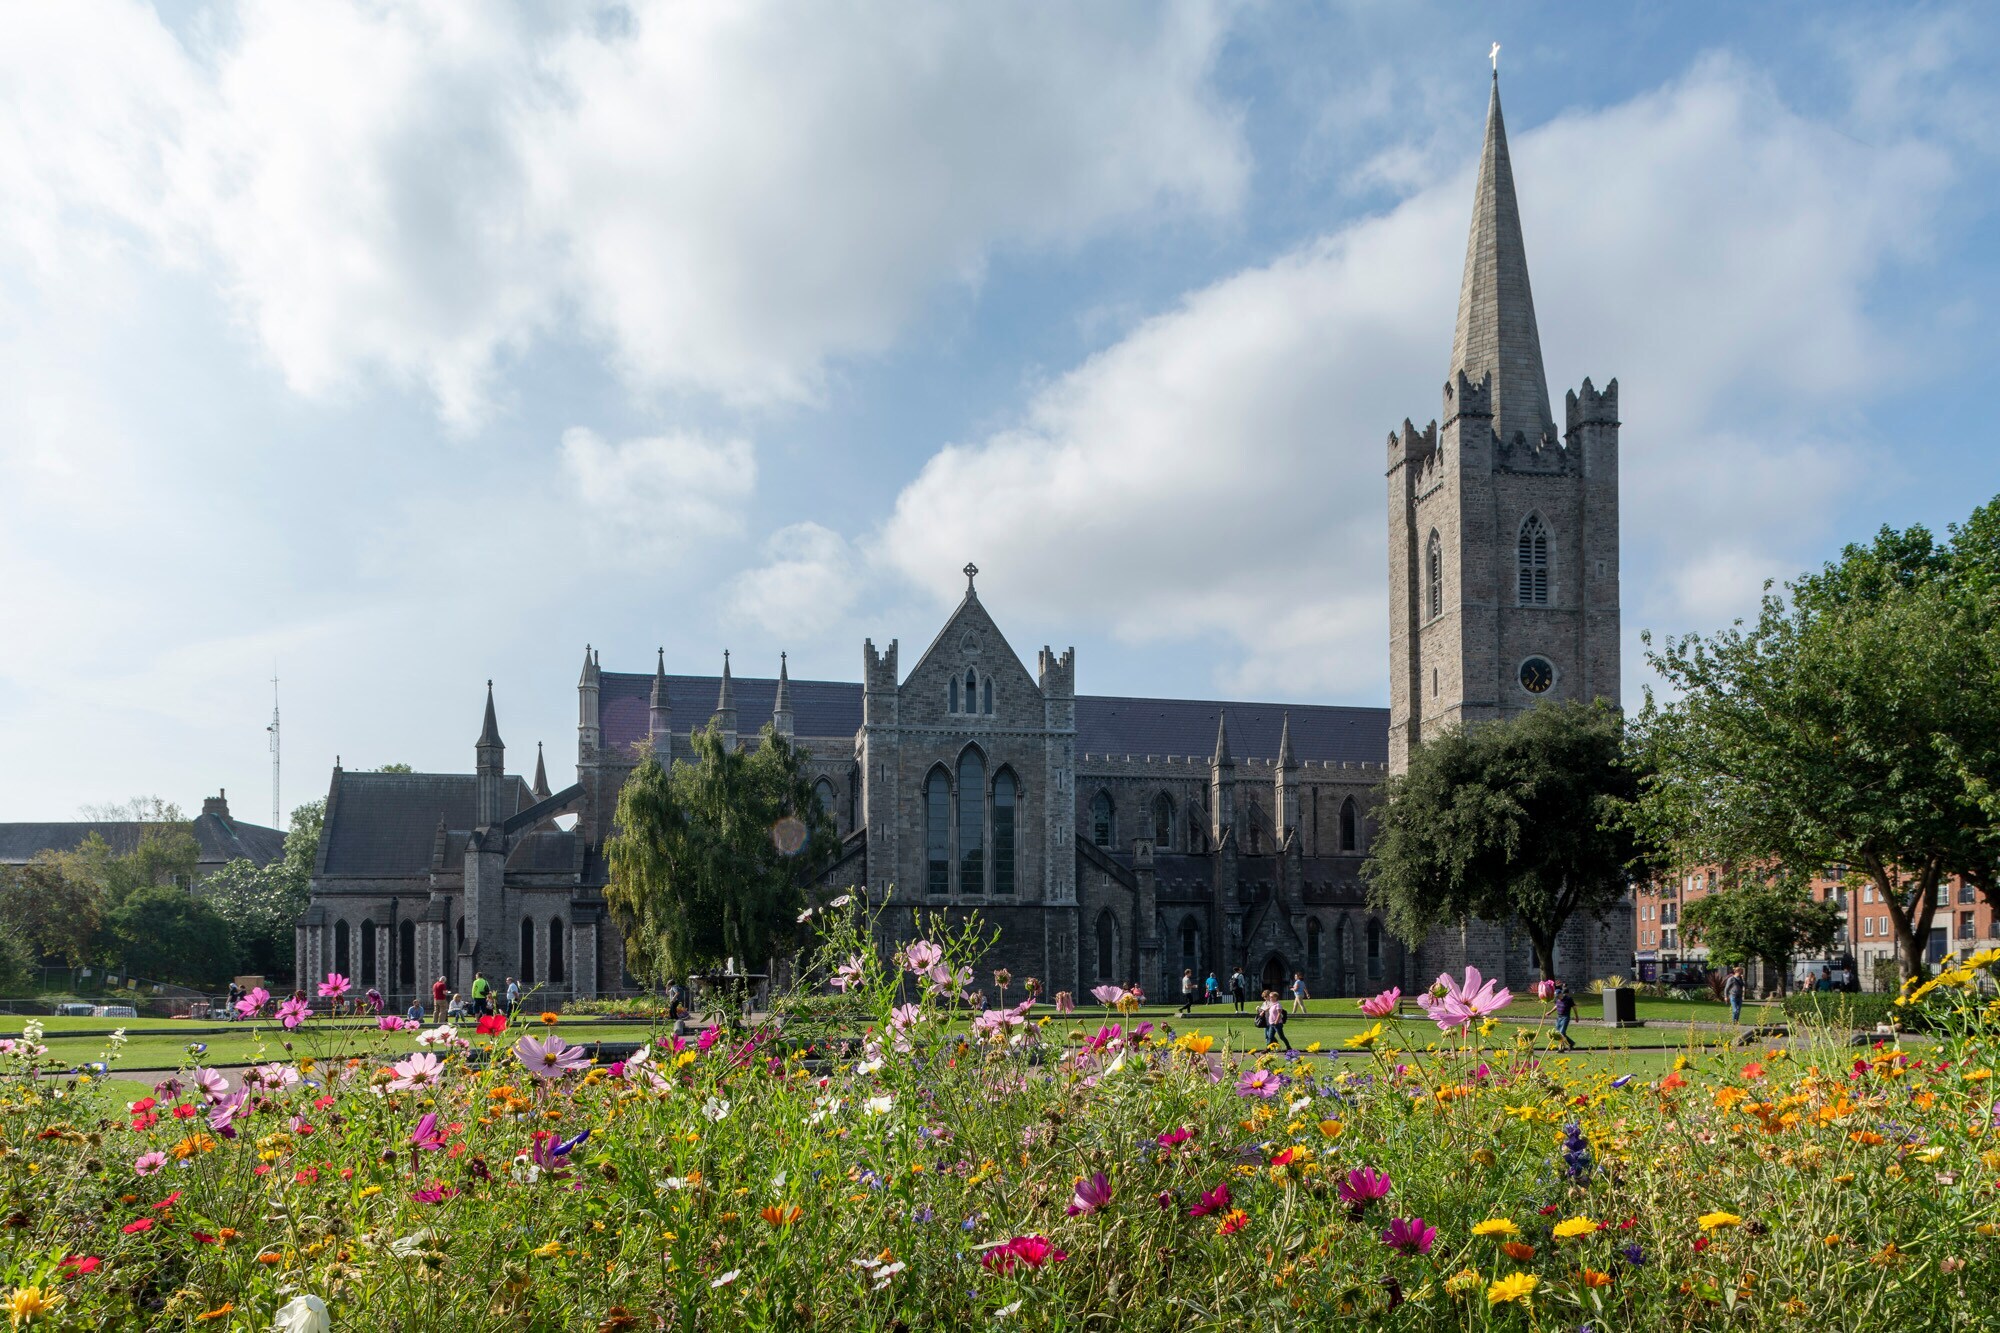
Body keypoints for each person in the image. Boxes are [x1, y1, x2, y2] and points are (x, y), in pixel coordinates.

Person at [1552, 980, 1578, 1051]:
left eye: (1558, 996)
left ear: (1561, 994)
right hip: (1559, 1017)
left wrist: (1576, 1017)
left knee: (1561, 1033)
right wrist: (1550, 1012)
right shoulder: (1557, 999)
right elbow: (1556, 1006)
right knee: (1558, 1033)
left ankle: (1561, 1048)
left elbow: (1574, 1007)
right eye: (1556, 996)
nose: (1557, 998)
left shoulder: (1568, 999)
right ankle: (1571, 1043)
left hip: (1565, 1017)